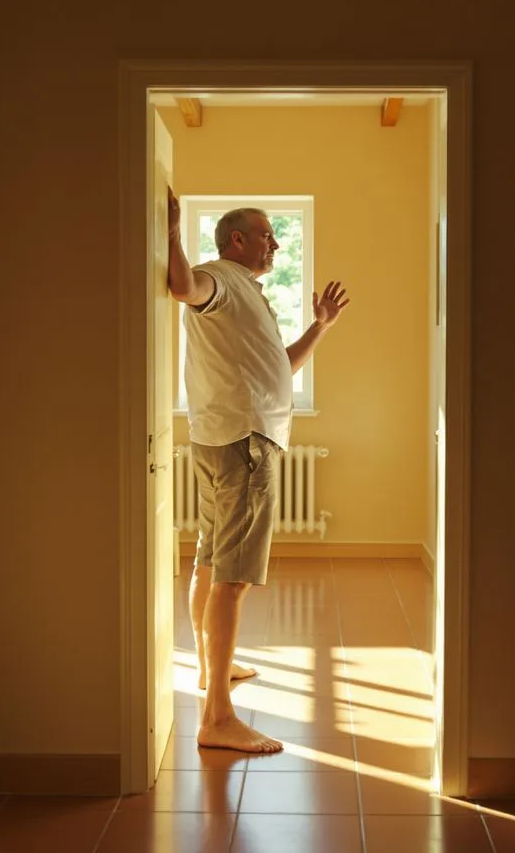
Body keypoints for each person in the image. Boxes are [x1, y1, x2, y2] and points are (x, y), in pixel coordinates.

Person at [166, 189, 349, 753]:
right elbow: (183, 287)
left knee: (211, 559)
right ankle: (219, 718)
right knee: (234, 575)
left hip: (225, 438)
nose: (276, 242)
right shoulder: (217, 276)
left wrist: (320, 326)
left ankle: (209, 672)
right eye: (268, 233)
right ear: (237, 239)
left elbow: (279, 367)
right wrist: (172, 233)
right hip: (244, 443)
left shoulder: (247, 293)